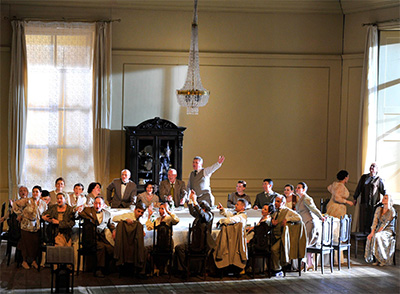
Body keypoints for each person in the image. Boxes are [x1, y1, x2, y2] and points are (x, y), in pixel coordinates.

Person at [174, 190, 215, 275]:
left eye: (199, 208)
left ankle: (186, 269)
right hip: (195, 244)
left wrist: (195, 202)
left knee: (180, 248)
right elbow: (193, 211)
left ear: (203, 208)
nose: (198, 210)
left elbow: (202, 214)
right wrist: (190, 200)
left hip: (201, 245)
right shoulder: (200, 215)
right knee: (179, 248)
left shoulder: (209, 215)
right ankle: (184, 269)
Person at [79, 196, 116, 277]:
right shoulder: (88, 210)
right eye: (96, 203)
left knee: (111, 249)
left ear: (103, 205)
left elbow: (111, 224)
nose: (97, 205)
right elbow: (80, 215)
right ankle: (99, 269)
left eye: (99, 203)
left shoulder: (107, 214)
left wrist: (114, 230)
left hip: (102, 238)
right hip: (91, 238)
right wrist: (77, 211)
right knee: (101, 247)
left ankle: (107, 269)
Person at [13, 185, 47, 270]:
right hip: (26, 226)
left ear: (40, 193)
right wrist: (20, 214)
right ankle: (24, 261)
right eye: (33, 191)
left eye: (37, 192)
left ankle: (33, 260)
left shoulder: (43, 203)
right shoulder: (27, 201)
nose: (35, 193)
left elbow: (45, 213)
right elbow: (15, 204)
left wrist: (44, 217)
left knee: (35, 244)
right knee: (26, 243)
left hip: (37, 227)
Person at [295, 182, 324, 270]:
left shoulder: (306, 198)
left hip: (309, 222)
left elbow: (313, 208)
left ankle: (304, 264)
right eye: (296, 187)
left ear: (304, 189)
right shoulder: (300, 199)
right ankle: (308, 263)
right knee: (304, 242)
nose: (297, 189)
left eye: (299, 187)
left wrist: (321, 216)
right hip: (304, 222)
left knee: (305, 242)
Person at [270, 195, 302, 276]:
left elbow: (298, 218)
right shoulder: (275, 212)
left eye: (278, 201)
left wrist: (288, 220)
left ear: (283, 203)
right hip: (274, 235)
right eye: (275, 201)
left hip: (282, 237)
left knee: (274, 249)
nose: (276, 203)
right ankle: (273, 267)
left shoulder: (287, 211)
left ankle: (277, 269)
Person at [113, 201, 147, 273]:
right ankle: (140, 271)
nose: (139, 214)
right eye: (138, 211)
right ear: (134, 210)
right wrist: (125, 219)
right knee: (144, 249)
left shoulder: (141, 220)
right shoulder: (128, 215)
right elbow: (114, 218)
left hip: (132, 242)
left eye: (141, 213)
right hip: (128, 243)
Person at [353, 163, 386, 233]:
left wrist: (385, 201)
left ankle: (370, 238)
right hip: (364, 203)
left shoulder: (379, 179)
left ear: (377, 169)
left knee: (372, 221)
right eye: (371, 166)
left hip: (374, 205)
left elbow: (384, 191)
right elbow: (359, 188)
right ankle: (363, 239)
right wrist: (355, 198)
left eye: (374, 166)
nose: (372, 167)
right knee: (363, 220)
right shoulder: (364, 177)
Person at [365, 194, 396, 266]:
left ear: (389, 200)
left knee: (378, 236)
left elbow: (385, 224)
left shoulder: (391, 211)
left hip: (388, 230)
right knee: (370, 237)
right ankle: (376, 258)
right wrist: (372, 232)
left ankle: (383, 259)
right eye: (383, 197)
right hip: (379, 229)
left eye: (385, 198)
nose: (383, 199)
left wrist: (376, 233)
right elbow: (375, 222)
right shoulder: (379, 209)